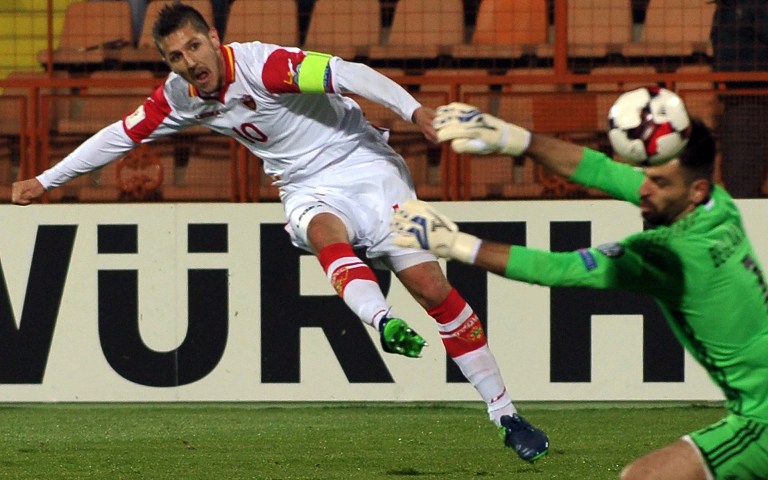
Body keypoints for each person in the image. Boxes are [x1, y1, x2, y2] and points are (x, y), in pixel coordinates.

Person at [10, 3, 549, 463]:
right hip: (303, 186)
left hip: (365, 165)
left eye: (195, 47)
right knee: (322, 230)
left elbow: (347, 72)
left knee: (434, 291)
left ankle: (506, 415)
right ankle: (380, 318)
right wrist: (46, 179)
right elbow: (118, 135)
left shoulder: (264, 66)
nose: (189, 63)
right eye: (176, 57)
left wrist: (415, 111)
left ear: (214, 39)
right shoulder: (180, 95)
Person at [391, 102, 768, 480]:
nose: (645, 191)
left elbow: (558, 269)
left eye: (660, 183)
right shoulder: (717, 206)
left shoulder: (669, 256)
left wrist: (454, 244)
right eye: (646, 177)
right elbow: (598, 169)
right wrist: (513, 137)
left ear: (696, 190)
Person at [710, 0, 768, 198]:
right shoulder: (724, 8)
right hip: (736, 100)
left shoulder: (755, 5)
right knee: (739, 180)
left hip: (754, 99)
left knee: (742, 181)